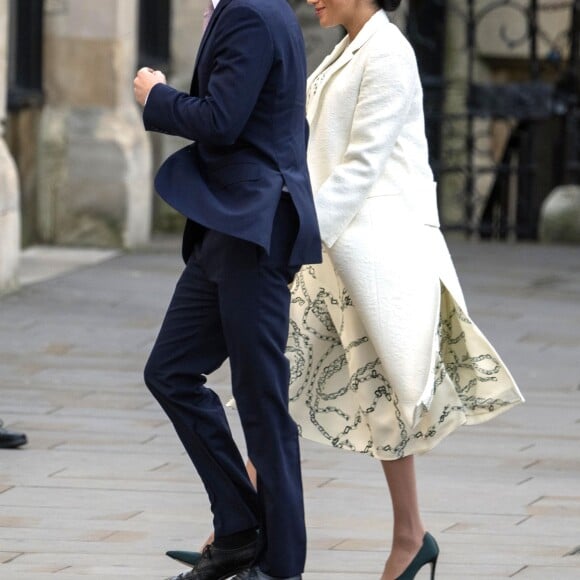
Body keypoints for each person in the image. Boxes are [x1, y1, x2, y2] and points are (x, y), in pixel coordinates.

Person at [165, 0, 524, 578]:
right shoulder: (345, 49)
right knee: (279, 380)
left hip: (369, 252)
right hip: (328, 250)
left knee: (362, 390)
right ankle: (241, 531)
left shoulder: (389, 53)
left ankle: (405, 536)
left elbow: (360, 166)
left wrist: (291, 235)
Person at [133, 0, 321, 578]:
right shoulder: (249, 9)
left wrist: (156, 97)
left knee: (263, 401)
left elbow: (222, 120)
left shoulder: (251, 12)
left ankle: (281, 566)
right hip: (228, 227)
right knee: (170, 371)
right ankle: (239, 528)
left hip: (254, 231)